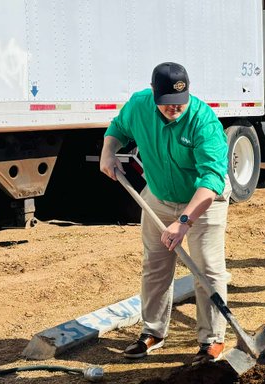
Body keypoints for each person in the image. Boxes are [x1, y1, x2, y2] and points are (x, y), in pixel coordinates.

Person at [99, 62, 231, 362]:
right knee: (155, 266)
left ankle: (212, 339)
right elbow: (118, 128)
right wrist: (108, 151)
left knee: (207, 268)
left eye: (180, 103)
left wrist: (184, 222)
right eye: (167, 104)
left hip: (202, 201)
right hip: (158, 196)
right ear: (154, 94)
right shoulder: (139, 106)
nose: (174, 109)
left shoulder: (204, 122)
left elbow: (211, 180)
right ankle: (153, 331)